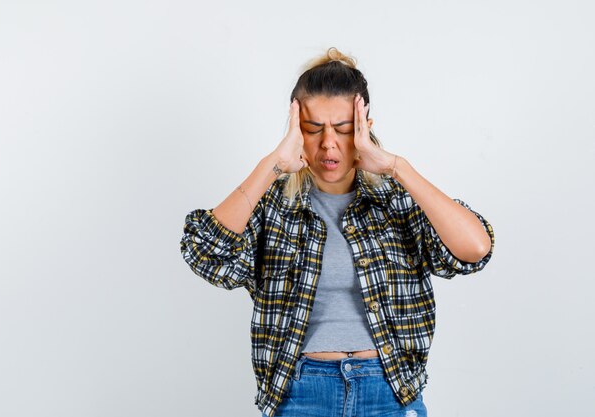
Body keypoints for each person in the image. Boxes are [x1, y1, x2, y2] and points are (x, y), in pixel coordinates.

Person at [180, 47, 495, 417]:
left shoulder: (396, 203)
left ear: (364, 130)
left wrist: (397, 167)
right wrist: (271, 165)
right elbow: (205, 252)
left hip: (388, 391)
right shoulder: (274, 207)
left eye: (343, 129)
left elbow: (474, 248)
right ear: (296, 131)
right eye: (313, 129)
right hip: (301, 393)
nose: (328, 143)